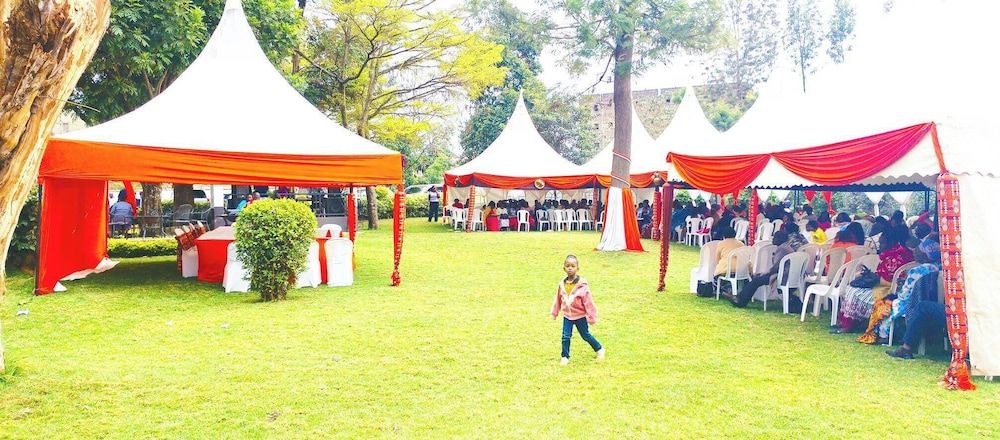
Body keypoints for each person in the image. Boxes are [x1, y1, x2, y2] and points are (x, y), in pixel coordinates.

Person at [550, 255, 604, 365]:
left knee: (585, 335)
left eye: (573, 266)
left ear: (577, 268)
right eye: (568, 266)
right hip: (567, 316)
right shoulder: (562, 285)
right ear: (564, 268)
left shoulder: (582, 285)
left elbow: (588, 302)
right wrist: (554, 313)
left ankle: (599, 349)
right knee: (565, 336)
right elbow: (558, 299)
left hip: (580, 316)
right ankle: (565, 356)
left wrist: (591, 317)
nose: (570, 268)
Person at [732, 230, 804, 307]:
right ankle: (740, 297)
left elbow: (776, 267)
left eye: (775, 237)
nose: (773, 239)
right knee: (757, 278)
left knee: (756, 280)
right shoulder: (787, 247)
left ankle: (741, 301)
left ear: (779, 239)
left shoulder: (782, 249)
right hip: (790, 276)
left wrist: (767, 273)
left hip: (782, 277)